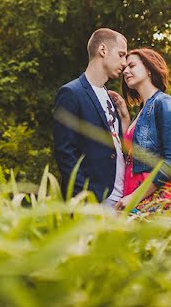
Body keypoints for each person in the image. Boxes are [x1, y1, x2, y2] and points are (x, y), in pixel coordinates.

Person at [52, 28, 129, 206]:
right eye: (121, 55)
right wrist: (86, 200)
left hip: (120, 200)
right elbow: (65, 153)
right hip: (94, 202)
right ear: (103, 50)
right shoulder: (71, 93)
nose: (124, 62)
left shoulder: (111, 97)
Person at [111, 48, 171, 212]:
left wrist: (135, 196)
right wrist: (124, 118)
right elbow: (130, 155)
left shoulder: (165, 104)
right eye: (124, 68)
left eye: (132, 65)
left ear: (150, 70)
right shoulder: (141, 112)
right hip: (134, 197)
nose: (126, 71)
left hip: (155, 201)